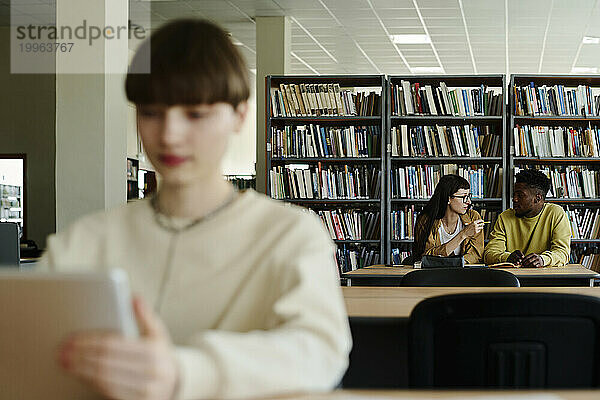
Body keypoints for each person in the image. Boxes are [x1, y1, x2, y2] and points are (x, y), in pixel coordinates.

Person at [38, 19, 351, 400]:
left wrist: (183, 373)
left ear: (239, 115)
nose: (169, 134)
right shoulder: (83, 241)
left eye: (195, 114)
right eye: (151, 112)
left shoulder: (291, 235)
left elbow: (318, 353)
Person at [483, 169, 571, 267]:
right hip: (513, 277)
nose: (514, 199)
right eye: (514, 194)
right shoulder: (505, 217)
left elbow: (563, 253)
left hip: (544, 277)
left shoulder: (556, 213)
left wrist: (542, 259)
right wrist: (506, 257)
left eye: (520, 195)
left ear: (538, 198)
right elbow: (489, 254)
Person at [411, 174, 485, 264]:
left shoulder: (473, 217)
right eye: (463, 197)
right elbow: (427, 257)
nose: (468, 202)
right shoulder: (426, 220)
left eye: (469, 196)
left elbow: (476, 254)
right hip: (433, 274)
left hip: (464, 273)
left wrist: (456, 265)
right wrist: (463, 235)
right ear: (448, 199)